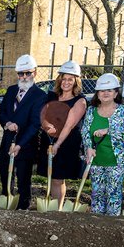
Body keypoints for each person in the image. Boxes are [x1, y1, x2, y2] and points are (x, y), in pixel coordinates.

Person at [0, 54, 48, 209]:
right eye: (21, 73)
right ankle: (7, 201)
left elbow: (35, 124)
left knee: (23, 178)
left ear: (35, 73)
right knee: (5, 173)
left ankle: (23, 207)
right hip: (7, 140)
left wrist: (19, 145)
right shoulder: (11, 90)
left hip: (25, 144)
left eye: (28, 73)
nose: (24, 77)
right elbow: (2, 111)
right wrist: (7, 122)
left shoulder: (40, 96)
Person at [81, 73, 124, 215]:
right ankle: (97, 226)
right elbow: (85, 131)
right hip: (96, 159)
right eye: (102, 90)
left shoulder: (123, 111)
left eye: (109, 90)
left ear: (115, 93)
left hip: (116, 161)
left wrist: (109, 131)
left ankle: (112, 226)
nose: (105, 93)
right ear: (97, 93)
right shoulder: (91, 111)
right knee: (97, 194)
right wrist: (88, 147)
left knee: (113, 194)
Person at [39, 61, 89, 204]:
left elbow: (69, 125)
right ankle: (50, 205)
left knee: (58, 178)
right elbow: (43, 115)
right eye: (63, 78)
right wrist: (47, 125)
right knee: (51, 176)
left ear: (76, 81)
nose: (66, 82)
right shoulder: (52, 96)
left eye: (70, 79)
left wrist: (57, 145)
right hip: (49, 140)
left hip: (65, 143)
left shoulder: (80, 101)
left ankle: (57, 210)